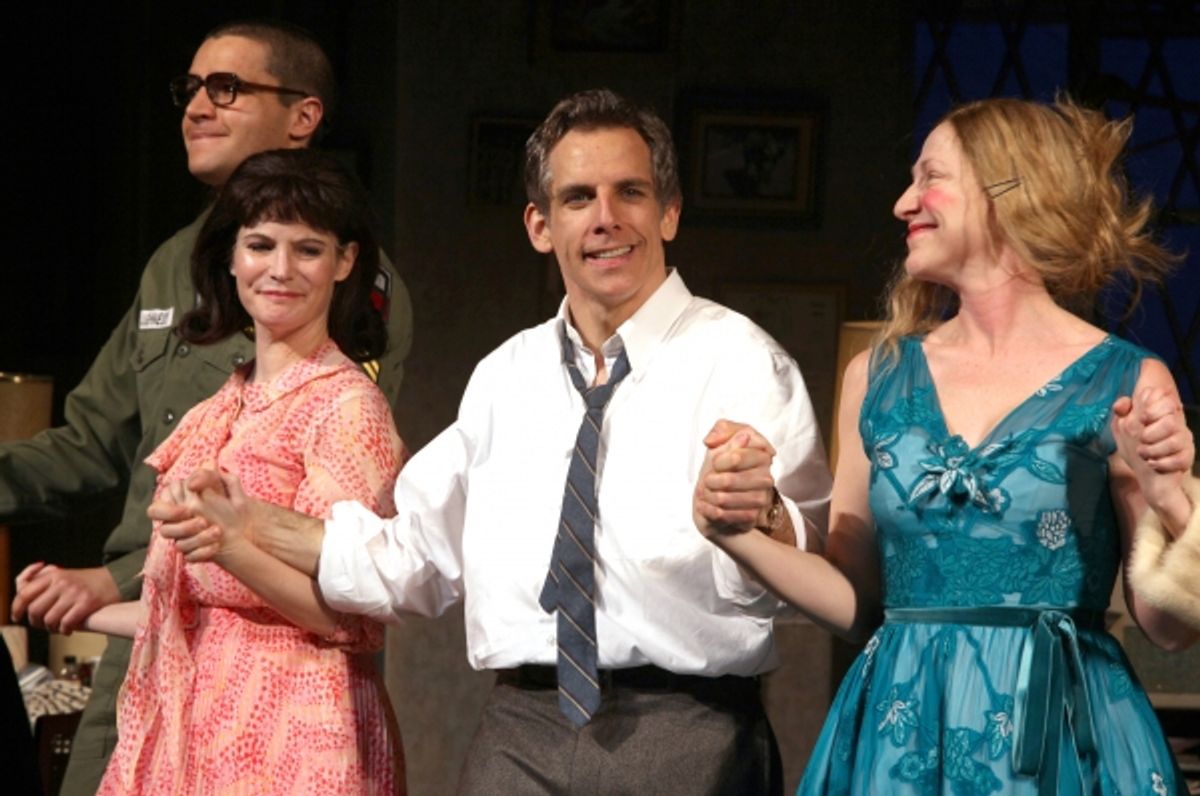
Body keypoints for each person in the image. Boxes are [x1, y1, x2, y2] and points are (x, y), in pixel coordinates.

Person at [162, 88, 831, 794]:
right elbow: (412, 557)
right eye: (578, 198)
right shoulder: (506, 377)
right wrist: (252, 522)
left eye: (629, 192)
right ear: (540, 225)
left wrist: (759, 519)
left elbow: (809, 564)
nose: (606, 219)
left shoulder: (741, 361)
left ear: (668, 211)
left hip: (686, 728)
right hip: (523, 728)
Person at [693, 96, 1198, 794]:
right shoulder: (877, 377)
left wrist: (1175, 502)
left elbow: (1170, 630)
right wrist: (738, 534)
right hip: (902, 735)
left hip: (1055, 739)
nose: (904, 203)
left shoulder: (1124, 379)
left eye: (929, 177)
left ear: (1009, 192)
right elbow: (855, 600)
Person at [1, 20, 413, 794]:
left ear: (304, 115)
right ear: (230, 257)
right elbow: (91, 442)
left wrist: (131, 572)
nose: (197, 106)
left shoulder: (342, 346)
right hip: (167, 653)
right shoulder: (178, 283)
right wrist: (103, 597)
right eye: (189, 89)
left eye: (227, 88)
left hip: (288, 704)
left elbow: (343, 581)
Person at [84, 148, 406, 794]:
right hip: (192, 719)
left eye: (308, 250)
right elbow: (194, 604)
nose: (279, 269)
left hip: (296, 730)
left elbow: (353, 617)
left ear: (345, 262)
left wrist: (232, 546)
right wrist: (84, 604)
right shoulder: (220, 405)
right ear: (231, 257)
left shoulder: (346, 408)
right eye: (260, 245)